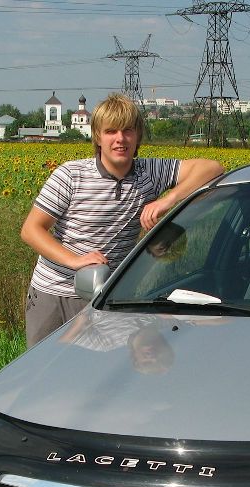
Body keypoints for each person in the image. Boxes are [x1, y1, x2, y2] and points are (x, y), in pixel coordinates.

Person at [20, 93, 225, 347]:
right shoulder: (71, 176)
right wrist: (76, 261)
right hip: (53, 293)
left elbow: (212, 168)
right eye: (111, 131)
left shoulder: (149, 173)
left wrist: (166, 200)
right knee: (45, 372)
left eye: (128, 131)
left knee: (97, 373)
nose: (120, 139)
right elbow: (31, 230)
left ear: (138, 135)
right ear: (97, 136)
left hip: (106, 297)